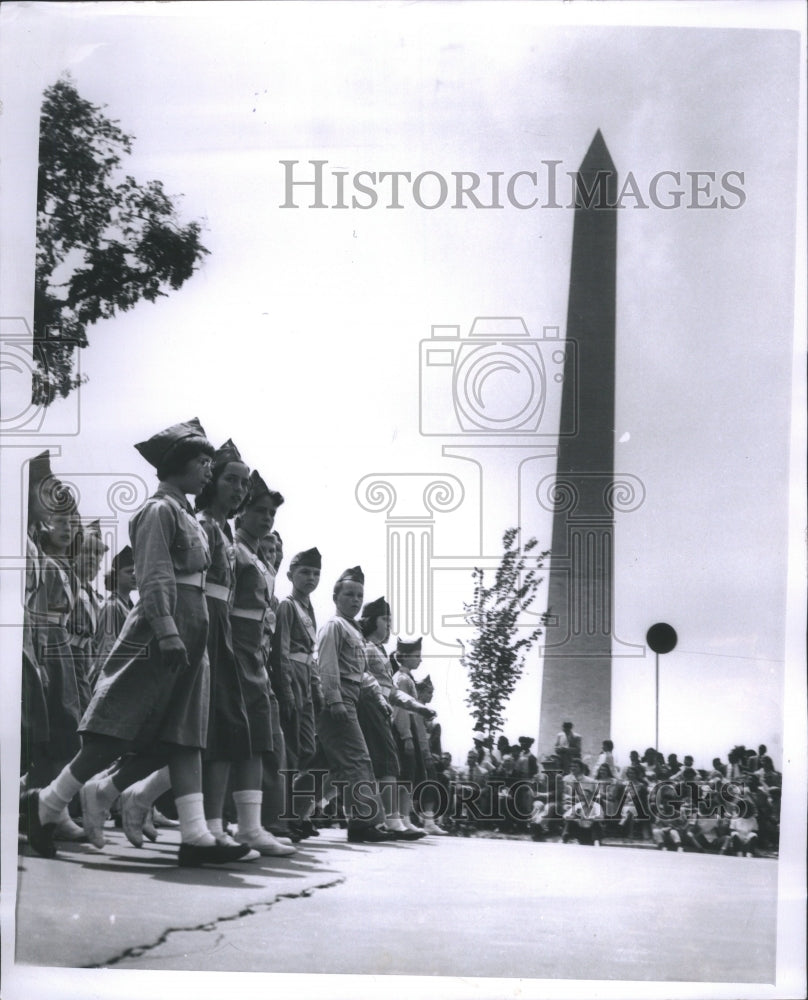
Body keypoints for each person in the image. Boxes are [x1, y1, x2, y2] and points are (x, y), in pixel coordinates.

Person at [20, 418, 250, 866]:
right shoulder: (158, 511)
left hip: (192, 630)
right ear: (179, 464)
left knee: (186, 735)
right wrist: (165, 630)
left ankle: (194, 833)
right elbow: (155, 574)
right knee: (115, 727)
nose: (208, 470)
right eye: (202, 462)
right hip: (161, 631)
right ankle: (47, 803)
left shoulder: (186, 514)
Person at [224, 470, 295, 856]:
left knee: (256, 738)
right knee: (231, 740)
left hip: (255, 656)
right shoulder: (234, 551)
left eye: (272, 513)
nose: (267, 518)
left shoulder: (255, 556)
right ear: (241, 512)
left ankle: (251, 826)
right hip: (234, 650)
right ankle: (129, 793)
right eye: (259, 510)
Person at [316, 566, 393, 843]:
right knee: (359, 759)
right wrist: (335, 699)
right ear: (335, 596)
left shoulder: (355, 631)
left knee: (325, 767)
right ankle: (364, 822)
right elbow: (326, 665)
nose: (355, 599)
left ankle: (290, 818)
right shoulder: (334, 626)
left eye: (360, 595)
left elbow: (363, 674)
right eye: (349, 594)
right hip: (338, 700)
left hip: (352, 697)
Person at [359, 597, 433, 839]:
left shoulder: (378, 650)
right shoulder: (368, 648)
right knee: (380, 767)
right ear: (370, 621)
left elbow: (391, 692)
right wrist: (407, 732)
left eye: (390, 621)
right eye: (384, 620)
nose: (388, 625)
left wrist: (418, 707)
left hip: (379, 711)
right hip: (370, 709)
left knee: (379, 767)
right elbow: (378, 688)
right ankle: (390, 819)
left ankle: (391, 819)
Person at [91, 544, 136, 687]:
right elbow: (106, 650)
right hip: (113, 677)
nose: (134, 575)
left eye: (137, 571)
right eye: (129, 571)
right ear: (115, 576)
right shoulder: (111, 607)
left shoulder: (131, 607)